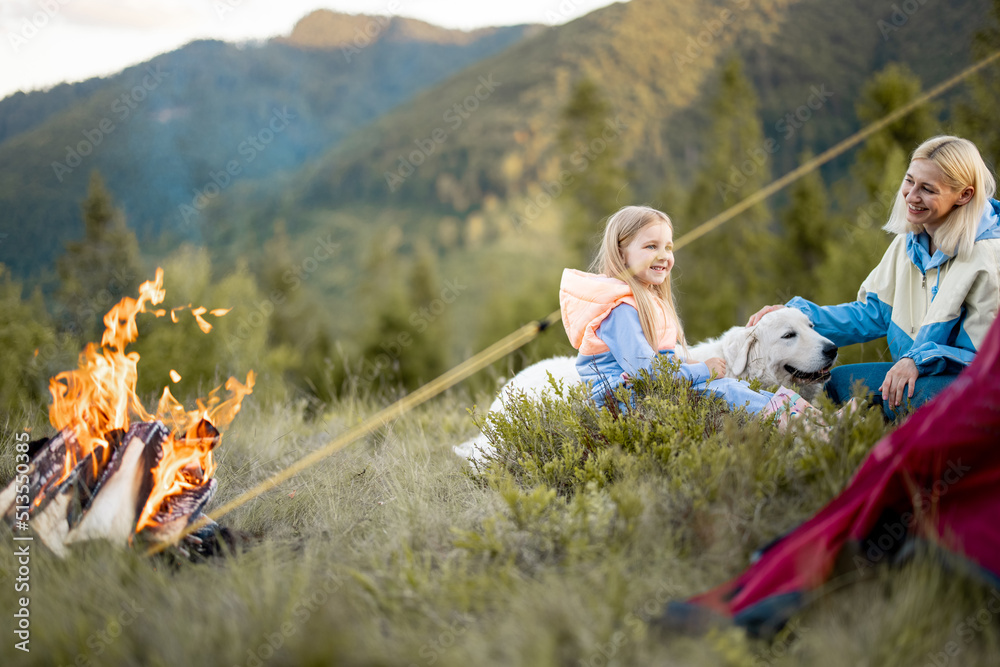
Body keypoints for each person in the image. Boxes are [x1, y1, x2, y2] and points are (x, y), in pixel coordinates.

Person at [748, 136, 1000, 419]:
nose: (911, 195)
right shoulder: (910, 242)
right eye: (909, 181)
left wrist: (917, 362)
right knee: (835, 386)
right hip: (918, 376)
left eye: (927, 189)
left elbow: (987, 359)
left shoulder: (989, 257)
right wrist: (798, 316)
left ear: (964, 195)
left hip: (979, 387)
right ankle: (813, 452)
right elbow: (873, 313)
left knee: (893, 401)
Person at [559, 205, 814, 424]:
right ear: (621, 253)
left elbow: (656, 362)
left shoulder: (644, 301)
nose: (663, 256)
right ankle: (802, 428)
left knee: (736, 387)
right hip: (625, 405)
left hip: (644, 393)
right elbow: (647, 373)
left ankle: (813, 419)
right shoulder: (620, 311)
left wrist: (686, 365)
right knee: (725, 390)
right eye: (650, 246)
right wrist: (704, 370)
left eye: (668, 247)